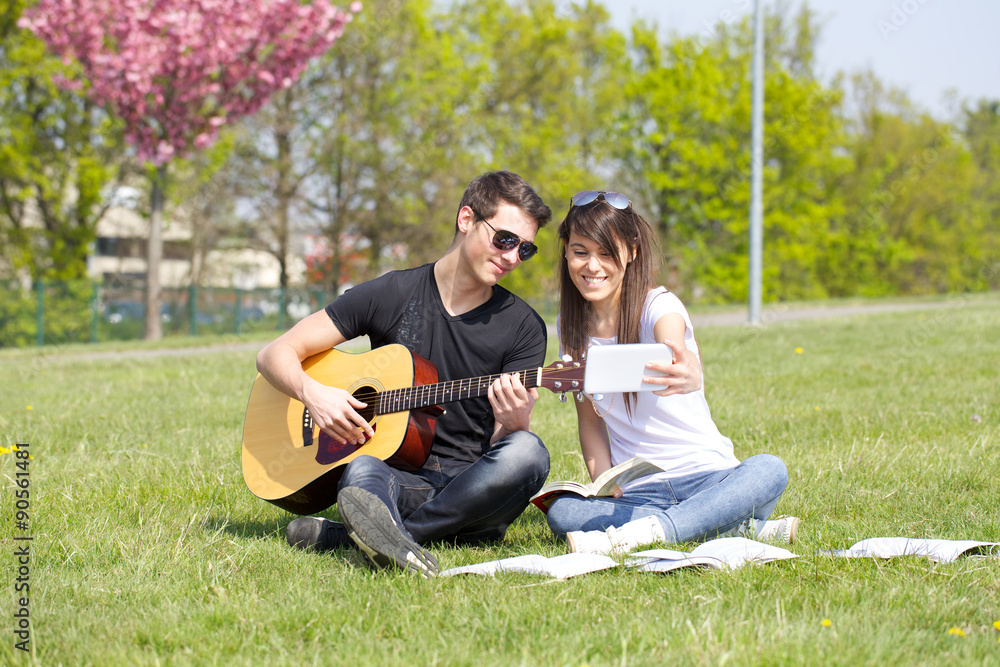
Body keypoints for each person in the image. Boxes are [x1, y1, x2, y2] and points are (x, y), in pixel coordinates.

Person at [256, 171, 553, 577]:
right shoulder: (392, 293)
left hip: (471, 486)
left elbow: (507, 446)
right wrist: (314, 394)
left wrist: (515, 423)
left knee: (529, 452)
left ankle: (357, 536)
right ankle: (413, 531)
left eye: (525, 249)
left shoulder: (523, 326)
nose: (512, 256)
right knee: (361, 471)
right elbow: (274, 353)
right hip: (396, 476)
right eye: (504, 239)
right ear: (466, 219)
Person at [544, 189, 797, 555]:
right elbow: (590, 421)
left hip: (710, 478)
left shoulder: (657, 305)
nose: (592, 266)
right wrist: (602, 482)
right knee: (562, 513)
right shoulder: (569, 325)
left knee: (769, 469)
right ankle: (727, 526)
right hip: (640, 492)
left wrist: (688, 370)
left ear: (631, 252)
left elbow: (673, 342)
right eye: (580, 252)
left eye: (606, 253)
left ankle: (661, 530)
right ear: (566, 250)